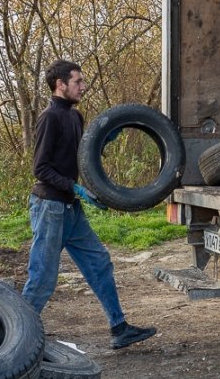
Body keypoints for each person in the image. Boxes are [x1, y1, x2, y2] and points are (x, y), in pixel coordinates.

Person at [21, 59, 157, 349]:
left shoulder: (75, 117)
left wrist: (104, 138)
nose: (83, 86)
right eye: (78, 81)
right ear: (61, 84)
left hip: (69, 208)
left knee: (99, 263)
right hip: (49, 207)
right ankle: (14, 337)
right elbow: (41, 168)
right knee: (43, 278)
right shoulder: (50, 117)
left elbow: (82, 154)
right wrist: (76, 188)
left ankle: (119, 328)